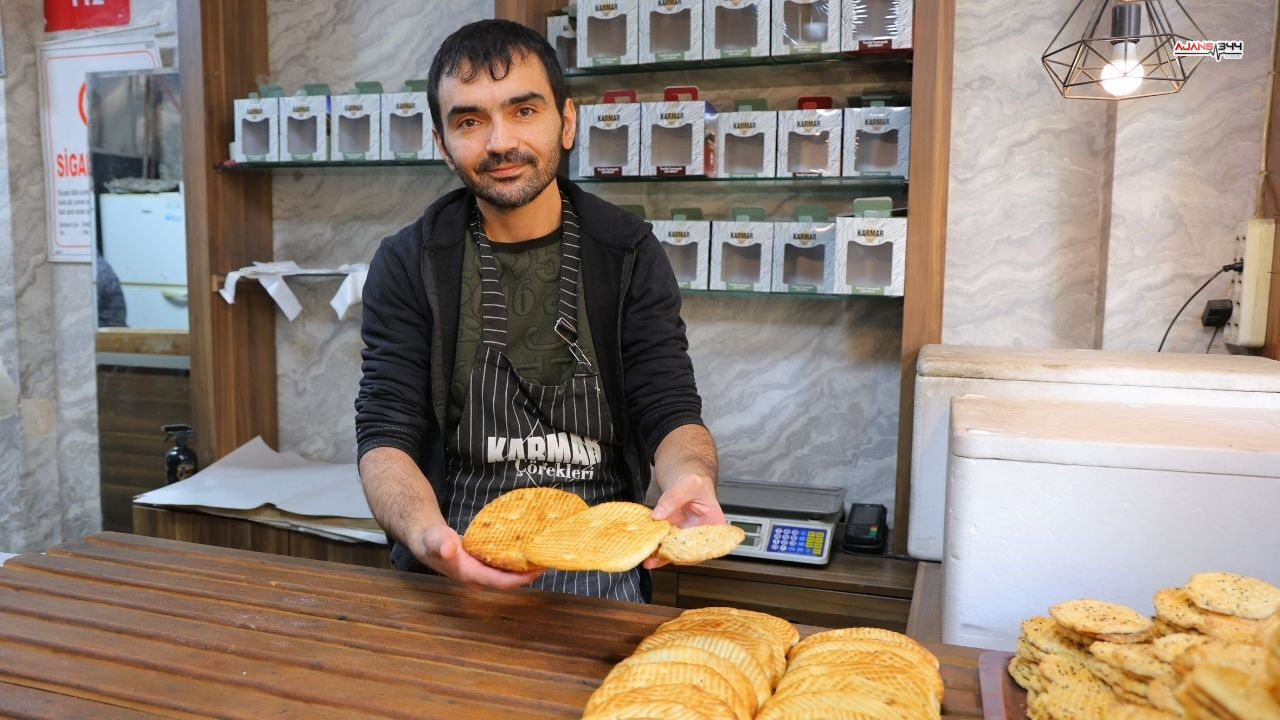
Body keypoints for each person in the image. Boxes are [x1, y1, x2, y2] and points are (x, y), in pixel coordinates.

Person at [354, 19, 725, 602]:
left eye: (523, 110)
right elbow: (386, 431)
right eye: (470, 121)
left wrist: (690, 478)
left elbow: (668, 404)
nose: (499, 142)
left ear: (567, 121)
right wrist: (429, 538)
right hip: (457, 563)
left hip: (602, 572)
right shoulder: (410, 261)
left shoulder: (624, 250)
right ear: (442, 145)